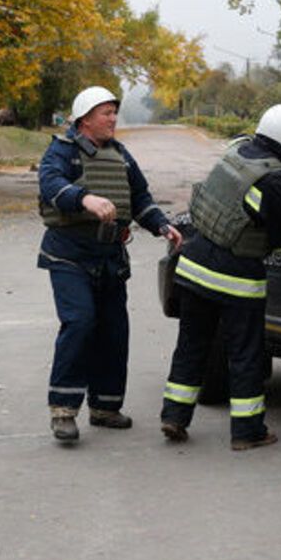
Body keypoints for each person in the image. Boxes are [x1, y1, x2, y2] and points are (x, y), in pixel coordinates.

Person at [38, 85, 183, 442]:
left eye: (115, 112)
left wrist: (161, 225)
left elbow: (140, 197)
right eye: (107, 113)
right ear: (85, 119)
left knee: (114, 331)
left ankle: (105, 407)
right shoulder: (62, 150)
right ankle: (63, 410)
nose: (114, 119)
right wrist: (84, 198)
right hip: (69, 254)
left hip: (110, 257)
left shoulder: (120, 154)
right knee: (80, 322)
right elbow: (50, 184)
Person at [160, 104, 281, 449]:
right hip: (237, 279)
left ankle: (174, 417)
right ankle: (247, 432)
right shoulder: (278, 180)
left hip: (193, 266)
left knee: (191, 346)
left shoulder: (234, 154)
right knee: (244, 354)